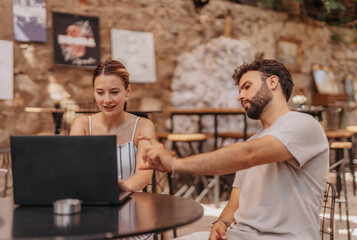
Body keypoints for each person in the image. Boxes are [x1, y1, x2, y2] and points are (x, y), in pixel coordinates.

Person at [140, 59, 329, 240]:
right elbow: (234, 203)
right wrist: (221, 222)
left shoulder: (303, 124)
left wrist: (174, 164)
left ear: (272, 82)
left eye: (247, 86)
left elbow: (248, 155)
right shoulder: (253, 141)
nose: (240, 96)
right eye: (240, 90)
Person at [70, 60, 155, 192]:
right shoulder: (82, 125)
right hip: (93, 203)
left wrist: (123, 188)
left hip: (132, 201)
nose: (107, 100)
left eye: (114, 92)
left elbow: (145, 174)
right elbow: (76, 171)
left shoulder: (143, 126)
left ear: (127, 91)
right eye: (100, 92)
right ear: (93, 92)